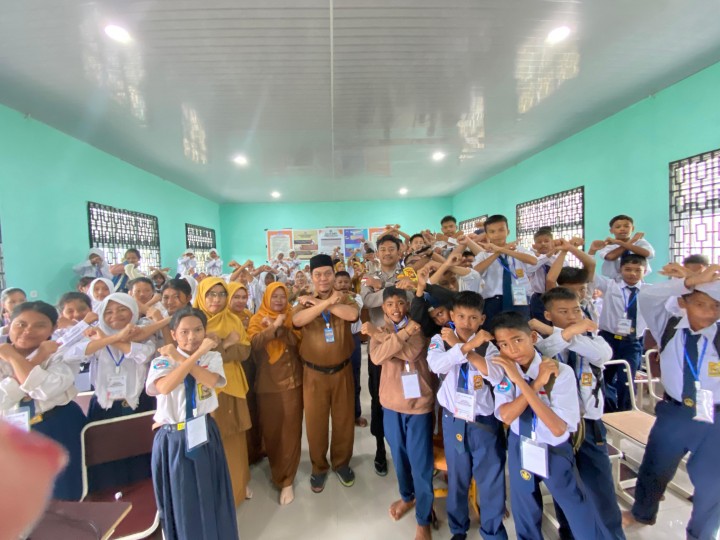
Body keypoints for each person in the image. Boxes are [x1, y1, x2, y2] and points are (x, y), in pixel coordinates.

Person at [622, 266, 720, 540]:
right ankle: (642, 512)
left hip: (715, 418)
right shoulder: (668, 324)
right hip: (675, 411)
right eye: (700, 303)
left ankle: (701, 534)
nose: (709, 312)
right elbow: (649, 296)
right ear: (684, 302)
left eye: (716, 306)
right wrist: (687, 281)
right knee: (655, 466)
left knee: (713, 483)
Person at [490, 311, 602, 540]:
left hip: (553, 450)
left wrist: (522, 382)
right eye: (503, 344)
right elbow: (507, 416)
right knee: (525, 511)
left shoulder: (560, 373)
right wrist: (529, 382)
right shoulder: (507, 372)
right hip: (521, 445)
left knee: (575, 507)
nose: (511, 350)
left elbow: (558, 428)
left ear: (532, 337)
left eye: (517, 340)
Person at [536, 287, 624, 540]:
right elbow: (545, 350)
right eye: (563, 312)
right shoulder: (543, 344)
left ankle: (611, 536)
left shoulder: (593, 340)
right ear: (548, 315)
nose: (573, 316)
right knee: (568, 489)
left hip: (589, 423)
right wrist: (566, 334)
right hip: (560, 425)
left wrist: (569, 334)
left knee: (600, 489)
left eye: (576, 310)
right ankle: (570, 534)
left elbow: (603, 354)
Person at [146, 307, 238, 540]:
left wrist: (186, 359)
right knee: (181, 496)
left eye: (198, 330)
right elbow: (164, 387)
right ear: (173, 334)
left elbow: (210, 381)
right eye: (184, 332)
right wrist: (186, 357)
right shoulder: (161, 361)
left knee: (211, 491)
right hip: (174, 437)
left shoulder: (213, 357)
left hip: (204, 429)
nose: (192, 337)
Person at [427, 291, 508, 540]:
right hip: (454, 421)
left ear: (482, 319)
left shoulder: (489, 345)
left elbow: (495, 376)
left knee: (491, 480)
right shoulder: (439, 339)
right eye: (460, 316)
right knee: (458, 478)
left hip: (483, 423)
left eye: (473, 318)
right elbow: (436, 365)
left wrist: (469, 348)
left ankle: (493, 531)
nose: (466, 322)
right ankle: (458, 528)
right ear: (452, 315)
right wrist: (462, 347)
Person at [362, 286, 435, 540]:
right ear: (383, 308)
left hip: (418, 405)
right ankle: (408, 497)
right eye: (390, 304)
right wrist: (395, 335)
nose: (396, 308)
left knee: (421, 463)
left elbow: (411, 352)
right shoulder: (385, 330)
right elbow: (377, 358)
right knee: (400, 458)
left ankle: (423, 519)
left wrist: (386, 337)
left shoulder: (418, 327)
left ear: (407, 305)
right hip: (391, 405)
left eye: (401, 303)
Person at [0, 301, 86, 500]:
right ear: (9, 322)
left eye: (39, 325)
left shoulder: (61, 354)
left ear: (53, 329)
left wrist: (15, 359)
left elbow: (45, 390)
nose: (28, 331)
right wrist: (35, 359)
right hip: (11, 430)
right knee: (18, 495)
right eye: (21, 324)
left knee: (63, 492)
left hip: (57, 425)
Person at [73, 293, 157, 490]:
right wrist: (107, 338)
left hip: (138, 402)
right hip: (105, 403)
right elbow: (74, 354)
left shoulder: (144, 336)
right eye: (108, 311)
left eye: (122, 309)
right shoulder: (94, 337)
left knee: (140, 454)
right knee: (106, 455)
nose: (115, 315)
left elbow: (141, 355)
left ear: (133, 311)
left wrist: (110, 339)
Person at [293, 254, 359, 493]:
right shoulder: (302, 303)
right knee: (315, 423)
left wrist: (324, 302)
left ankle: (341, 464)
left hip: (342, 371)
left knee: (343, 422)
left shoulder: (348, 299)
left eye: (327, 274)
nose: (323, 278)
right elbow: (298, 320)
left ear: (334, 274)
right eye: (318, 274)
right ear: (311, 277)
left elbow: (352, 316)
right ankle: (318, 467)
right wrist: (322, 303)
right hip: (313, 375)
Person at [193, 277, 253, 506]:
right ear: (201, 295)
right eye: (211, 294)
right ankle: (213, 493)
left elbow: (245, 351)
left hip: (232, 386)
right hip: (204, 389)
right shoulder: (193, 320)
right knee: (207, 441)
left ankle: (238, 485)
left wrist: (217, 347)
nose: (216, 299)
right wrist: (227, 344)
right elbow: (194, 355)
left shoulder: (233, 319)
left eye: (220, 294)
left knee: (235, 437)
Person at [248, 282, 303, 505]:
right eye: (275, 296)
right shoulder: (256, 319)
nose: (279, 300)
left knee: (291, 431)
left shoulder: (293, 316)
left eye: (283, 296)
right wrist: (271, 328)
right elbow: (254, 344)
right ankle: (276, 469)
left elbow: (298, 342)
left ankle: (287, 479)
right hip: (267, 384)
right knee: (272, 431)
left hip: (293, 382)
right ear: (266, 297)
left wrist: (280, 327)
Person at [361, 234, 408, 476]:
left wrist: (387, 290)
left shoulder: (408, 274)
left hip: (407, 346)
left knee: (408, 395)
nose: (388, 252)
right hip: (379, 346)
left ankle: (408, 447)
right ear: (377, 254)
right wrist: (392, 290)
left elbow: (412, 298)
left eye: (392, 248)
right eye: (383, 249)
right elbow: (368, 302)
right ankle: (380, 447)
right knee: (378, 397)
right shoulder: (369, 278)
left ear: (400, 252)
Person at [594, 254, 647, 412]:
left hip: (632, 342)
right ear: (620, 270)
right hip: (609, 338)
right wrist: (591, 252)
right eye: (628, 269)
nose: (633, 274)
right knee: (605, 376)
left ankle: (625, 412)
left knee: (627, 379)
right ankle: (607, 411)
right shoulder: (611, 285)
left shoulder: (648, 291)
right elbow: (589, 273)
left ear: (645, 271)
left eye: (638, 270)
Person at [472, 214, 538, 327]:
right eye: (492, 232)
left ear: (508, 231)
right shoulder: (483, 255)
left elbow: (533, 261)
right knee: (493, 330)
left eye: (501, 230)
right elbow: (476, 271)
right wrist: (497, 252)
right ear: (487, 235)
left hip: (519, 296)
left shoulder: (519, 250)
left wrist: (504, 250)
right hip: (493, 300)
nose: (497, 234)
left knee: (520, 328)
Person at [228, 280, 264, 465]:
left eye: (244, 297)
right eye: (236, 297)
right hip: (233, 369)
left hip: (251, 366)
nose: (241, 301)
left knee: (254, 408)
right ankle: (245, 455)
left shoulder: (250, 315)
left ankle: (257, 448)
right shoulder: (223, 319)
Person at [336, 270, 367, 427]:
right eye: (339, 282)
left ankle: (356, 414)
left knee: (354, 376)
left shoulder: (357, 297)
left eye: (346, 282)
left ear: (350, 283)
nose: (343, 285)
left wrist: (346, 297)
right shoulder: (331, 299)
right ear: (334, 284)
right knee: (338, 379)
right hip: (336, 341)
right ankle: (341, 415)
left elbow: (355, 313)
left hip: (353, 339)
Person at [590, 214, 655, 278]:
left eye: (626, 226)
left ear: (632, 228)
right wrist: (630, 241)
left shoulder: (639, 241)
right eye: (618, 227)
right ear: (611, 231)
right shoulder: (606, 244)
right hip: (614, 281)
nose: (622, 229)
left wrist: (623, 243)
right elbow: (610, 257)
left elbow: (649, 254)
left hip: (637, 279)